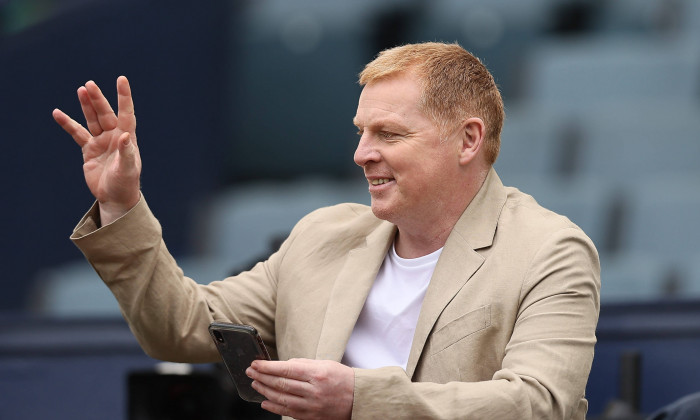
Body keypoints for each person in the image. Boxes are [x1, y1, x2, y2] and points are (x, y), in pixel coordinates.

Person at [52, 42, 600, 419]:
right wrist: (122, 205)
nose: (362, 154)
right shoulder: (322, 236)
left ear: (467, 140)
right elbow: (181, 327)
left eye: (389, 133)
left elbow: (538, 404)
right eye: (361, 131)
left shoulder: (550, 251)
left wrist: (360, 399)